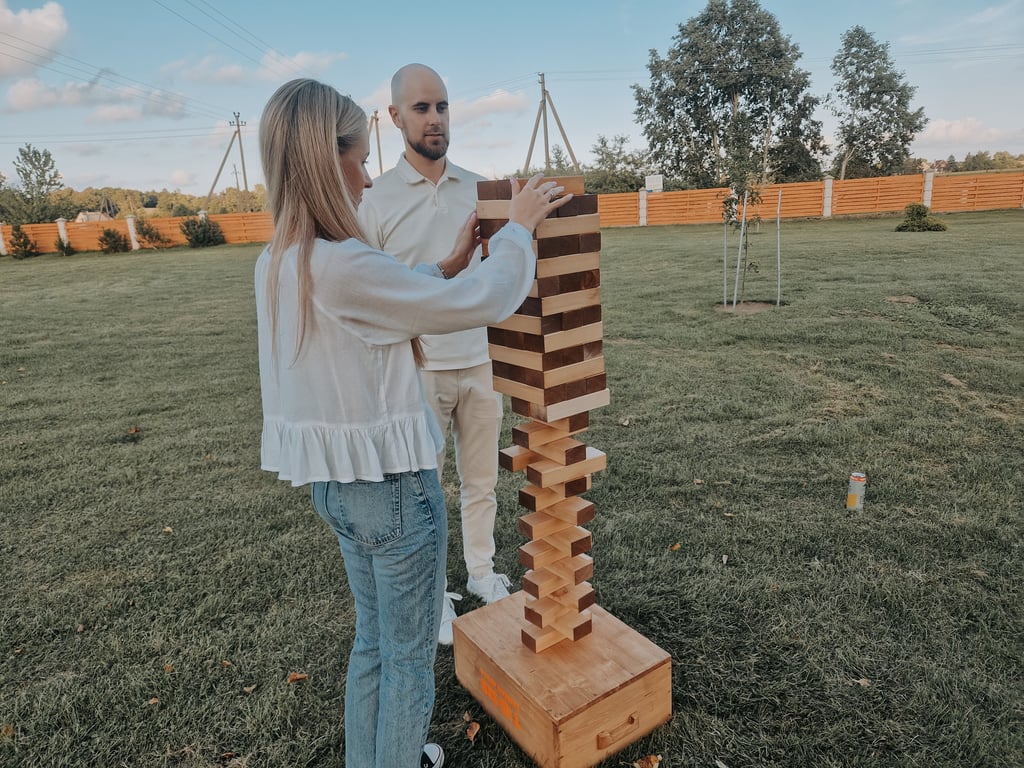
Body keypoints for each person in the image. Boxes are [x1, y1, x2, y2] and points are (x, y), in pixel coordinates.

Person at [254, 78, 569, 768]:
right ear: (320, 159)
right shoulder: (341, 264)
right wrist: (518, 228)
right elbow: (486, 298)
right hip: (394, 491)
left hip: (337, 490)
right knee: (404, 662)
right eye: (358, 160)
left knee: (373, 641)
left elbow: (381, 300)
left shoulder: (278, 260)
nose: (365, 180)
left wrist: (444, 264)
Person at [359, 63, 511, 646]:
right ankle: (432, 596)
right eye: (422, 108)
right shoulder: (374, 201)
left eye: (442, 106)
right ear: (395, 117)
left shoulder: (480, 189)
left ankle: (480, 573)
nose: (435, 119)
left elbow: (503, 268)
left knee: (480, 480)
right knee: (423, 493)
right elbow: (374, 294)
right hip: (415, 370)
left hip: (480, 359)